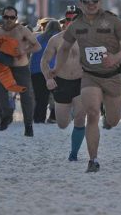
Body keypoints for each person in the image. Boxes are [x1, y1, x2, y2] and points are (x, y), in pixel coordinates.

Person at [50, 0, 121, 172]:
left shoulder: (112, 21)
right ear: (81, 4)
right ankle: (93, 160)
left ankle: (109, 116)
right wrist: (57, 68)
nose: (91, 4)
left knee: (113, 120)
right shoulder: (75, 25)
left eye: (94, 1)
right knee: (92, 113)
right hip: (90, 76)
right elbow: (64, 48)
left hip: (112, 76)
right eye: (87, 1)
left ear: (100, 2)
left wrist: (116, 58)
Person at [41, 10, 86, 161]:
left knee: (80, 118)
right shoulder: (56, 39)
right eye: (68, 19)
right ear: (64, 21)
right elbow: (44, 61)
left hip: (82, 81)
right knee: (62, 124)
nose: (71, 22)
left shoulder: (89, 39)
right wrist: (48, 78)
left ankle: (74, 154)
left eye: (75, 19)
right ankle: (71, 112)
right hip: (62, 82)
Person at [0, 6, 41, 136]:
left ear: (16, 18)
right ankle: (7, 117)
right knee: (0, 93)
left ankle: (28, 125)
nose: (9, 20)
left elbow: (37, 46)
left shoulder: (22, 30)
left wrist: (23, 51)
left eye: (12, 17)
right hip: (4, 66)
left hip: (21, 66)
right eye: (6, 17)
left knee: (26, 96)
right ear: (2, 17)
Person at [30, 20, 61, 124]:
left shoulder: (38, 38)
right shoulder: (59, 38)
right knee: (59, 96)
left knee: (40, 98)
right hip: (53, 70)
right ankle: (53, 117)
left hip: (36, 71)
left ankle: (38, 119)